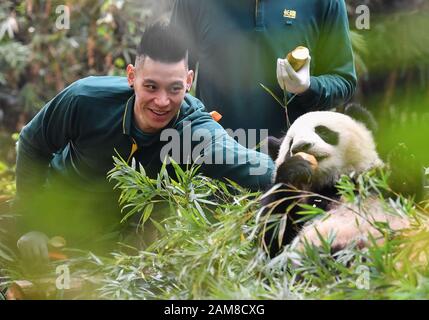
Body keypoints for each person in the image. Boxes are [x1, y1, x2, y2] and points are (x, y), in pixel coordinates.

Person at [14, 23, 274, 262]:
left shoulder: (195, 131)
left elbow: (256, 167)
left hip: (120, 252)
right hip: (56, 220)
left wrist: (306, 177)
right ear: (131, 77)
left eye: (174, 89)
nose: (162, 101)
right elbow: (32, 143)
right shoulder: (85, 100)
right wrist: (33, 223)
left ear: (189, 82)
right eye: (151, 87)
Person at [170, 0, 357, 138]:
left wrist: (308, 87)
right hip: (214, 163)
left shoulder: (324, 2)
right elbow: (171, 78)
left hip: (292, 167)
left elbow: (344, 79)